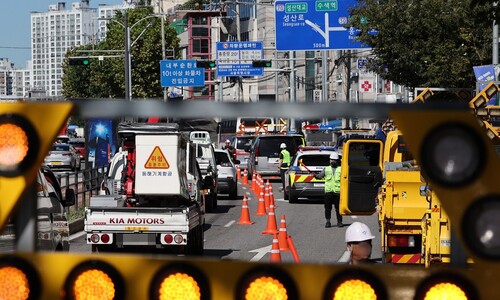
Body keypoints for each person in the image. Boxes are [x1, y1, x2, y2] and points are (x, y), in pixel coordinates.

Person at [314, 152, 342, 228]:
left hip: (337, 192)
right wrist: (316, 176)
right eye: (331, 160)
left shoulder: (341, 169)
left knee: (338, 208)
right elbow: (320, 176)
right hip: (328, 191)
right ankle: (328, 221)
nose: (332, 161)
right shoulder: (326, 169)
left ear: (337, 161)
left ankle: (339, 222)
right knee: (327, 208)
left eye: (334, 160)